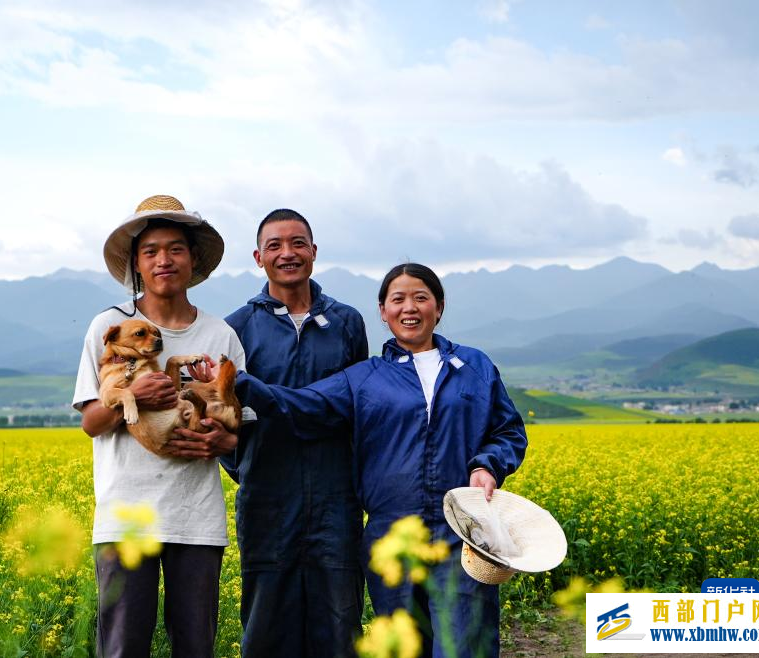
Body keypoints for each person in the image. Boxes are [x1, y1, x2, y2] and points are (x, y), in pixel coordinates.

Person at [231, 262, 527, 658]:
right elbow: (300, 404)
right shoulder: (364, 377)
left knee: (463, 644)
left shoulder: (475, 367)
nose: (410, 307)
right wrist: (237, 381)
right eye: (398, 299)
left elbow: (508, 430)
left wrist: (487, 465)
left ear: (438, 307)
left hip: (463, 531)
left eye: (421, 297)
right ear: (383, 312)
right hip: (392, 535)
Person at [72, 194, 245, 658]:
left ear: (193, 260)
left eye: (175, 249)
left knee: (196, 645)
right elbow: (91, 421)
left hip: (196, 519)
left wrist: (220, 439)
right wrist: (138, 398)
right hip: (125, 518)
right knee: (123, 647)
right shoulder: (108, 327)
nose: (163, 260)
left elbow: (237, 425)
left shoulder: (220, 335)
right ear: (136, 265)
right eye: (150, 251)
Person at [218, 209, 368, 657]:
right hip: (267, 494)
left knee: (340, 618)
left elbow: (358, 406)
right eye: (275, 246)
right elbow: (227, 411)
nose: (288, 253)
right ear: (258, 257)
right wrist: (247, 466)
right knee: (267, 620)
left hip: (335, 495)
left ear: (314, 252)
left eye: (298, 243)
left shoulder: (347, 322)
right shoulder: (238, 327)